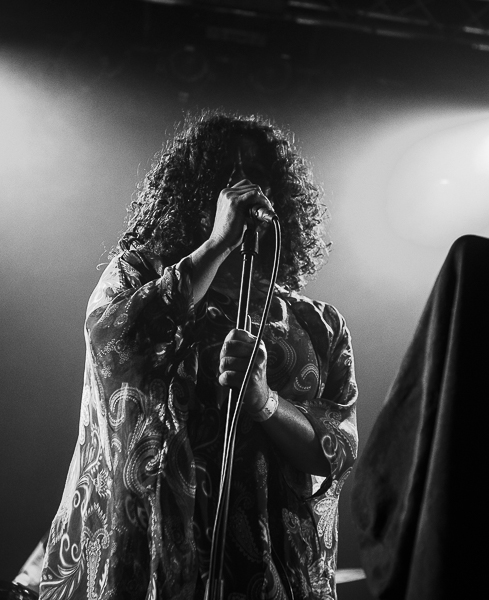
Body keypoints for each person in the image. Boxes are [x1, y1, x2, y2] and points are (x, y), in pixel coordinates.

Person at [38, 111, 358, 600]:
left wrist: (265, 403)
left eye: (258, 174)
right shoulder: (136, 277)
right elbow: (114, 345)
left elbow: (337, 448)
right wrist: (217, 243)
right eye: (225, 175)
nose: (244, 189)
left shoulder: (318, 324)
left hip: (268, 573)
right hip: (150, 563)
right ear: (193, 192)